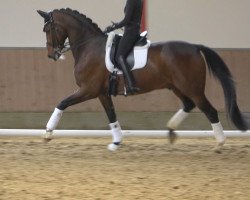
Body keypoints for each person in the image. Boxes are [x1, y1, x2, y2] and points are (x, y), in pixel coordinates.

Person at [105, 0, 143, 94]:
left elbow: (127, 20)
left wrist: (114, 27)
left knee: (119, 56)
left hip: (131, 32)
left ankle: (131, 85)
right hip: (134, 30)